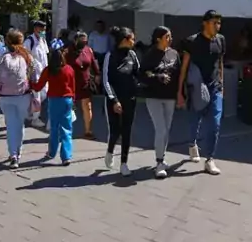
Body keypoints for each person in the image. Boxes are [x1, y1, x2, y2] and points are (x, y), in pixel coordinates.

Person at [176, 10, 226, 176]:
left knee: (215, 123)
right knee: (195, 119)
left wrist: (222, 84)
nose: (217, 26)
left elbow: (220, 63)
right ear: (205, 23)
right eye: (214, 23)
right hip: (196, 87)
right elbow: (184, 67)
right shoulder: (192, 41)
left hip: (215, 87)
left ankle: (210, 159)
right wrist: (180, 92)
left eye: (219, 23)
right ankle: (192, 143)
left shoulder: (220, 40)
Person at [141, 26, 180, 179]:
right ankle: (159, 163)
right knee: (161, 129)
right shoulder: (150, 54)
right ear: (158, 39)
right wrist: (158, 77)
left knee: (167, 129)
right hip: (154, 96)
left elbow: (178, 74)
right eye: (167, 37)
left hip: (170, 96)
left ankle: (162, 158)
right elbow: (143, 74)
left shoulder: (174, 53)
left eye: (170, 36)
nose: (170, 39)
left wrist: (181, 94)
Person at [101, 26, 140, 176]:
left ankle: (124, 163)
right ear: (125, 40)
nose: (134, 42)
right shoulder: (110, 56)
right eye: (132, 39)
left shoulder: (132, 55)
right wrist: (114, 100)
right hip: (114, 100)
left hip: (130, 99)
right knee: (115, 131)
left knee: (127, 131)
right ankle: (110, 150)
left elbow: (138, 74)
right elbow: (106, 80)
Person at [0, 30, 35, 168]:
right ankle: (18, 153)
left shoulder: (2, 53)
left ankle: (13, 154)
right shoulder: (26, 55)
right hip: (22, 94)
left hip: (5, 96)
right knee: (19, 124)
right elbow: (34, 71)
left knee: (11, 125)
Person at [31, 48, 75, 165]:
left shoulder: (48, 70)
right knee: (66, 128)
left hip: (54, 100)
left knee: (54, 128)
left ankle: (51, 152)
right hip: (67, 99)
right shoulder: (69, 69)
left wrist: (29, 82)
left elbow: (38, 87)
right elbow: (73, 86)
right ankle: (66, 156)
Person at [67, 31, 100, 139]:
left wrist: (97, 75)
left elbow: (94, 64)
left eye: (85, 41)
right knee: (68, 108)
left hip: (85, 83)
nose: (83, 42)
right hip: (70, 83)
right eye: (81, 40)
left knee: (87, 106)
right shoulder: (68, 51)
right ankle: (65, 131)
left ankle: (88, 131)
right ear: (75, 40)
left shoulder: (88, 50)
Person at [25, 20, 50, 130]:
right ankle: (35, 118)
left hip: (44, 72)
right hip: (35, 73)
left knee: (44, 94)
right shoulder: (29, 41)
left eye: (44, 29)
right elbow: (25, 56)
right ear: (35, 29)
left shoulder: (43, 40)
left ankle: (30, 114)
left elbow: (46, 55)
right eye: (42, 29)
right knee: (37, 96)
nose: (43, 31)